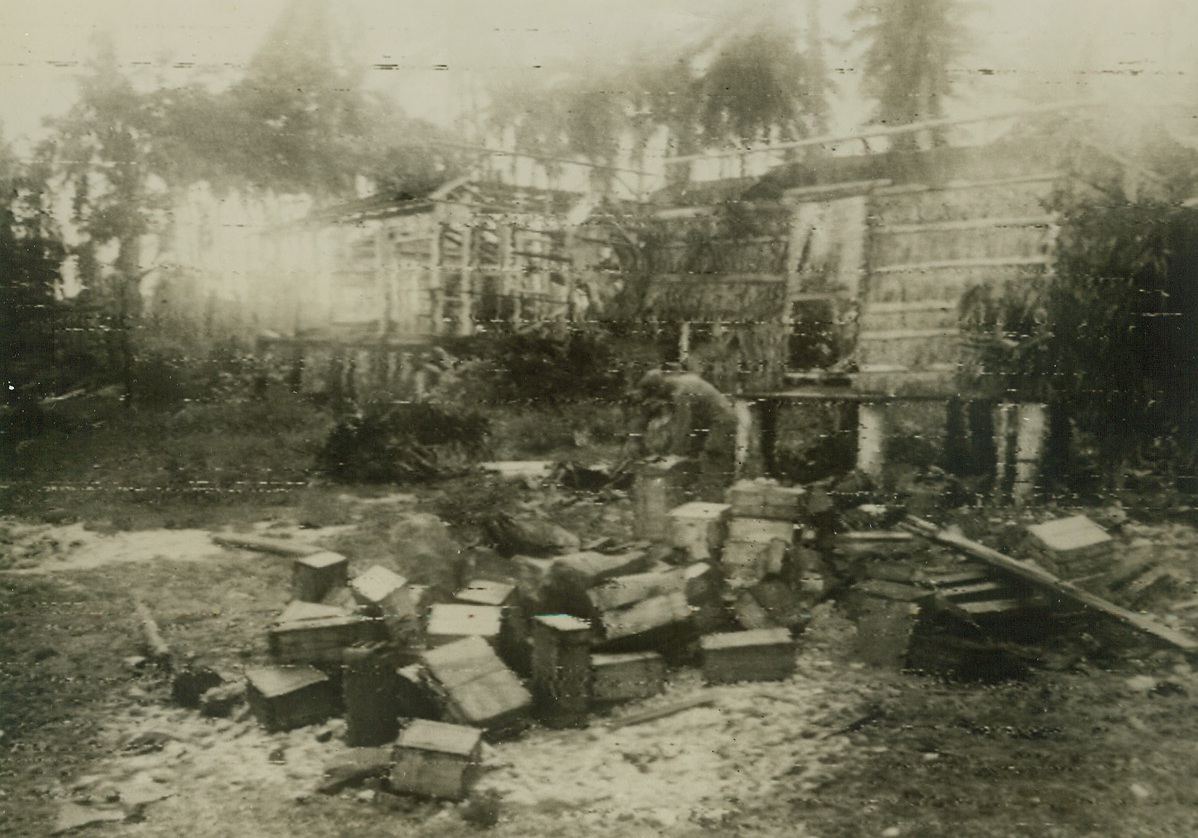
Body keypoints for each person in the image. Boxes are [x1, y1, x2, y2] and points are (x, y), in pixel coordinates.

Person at [622, 368, 738, 498]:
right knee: (692, 457)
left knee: (713, 459)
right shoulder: (674, 385)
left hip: (721, 422)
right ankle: (696, 494)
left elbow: (683, 426)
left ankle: (712, 499)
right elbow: (646, 416)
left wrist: (672, 455)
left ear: (661, 389)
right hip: (707, 421)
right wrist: (635, 440)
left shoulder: (681, 391)